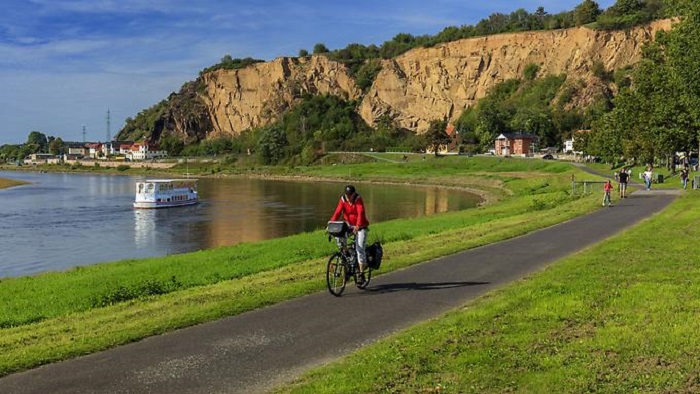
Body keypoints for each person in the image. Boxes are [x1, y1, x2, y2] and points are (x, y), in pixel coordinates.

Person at [330, 185, 370, 284]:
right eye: (346, 195)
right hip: (349, 225)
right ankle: (348, 257)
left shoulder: (358, 199)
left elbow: (361, 213)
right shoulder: (343, 200)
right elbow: (337, 212)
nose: (348, 198)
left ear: (353, 194)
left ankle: (361, 274)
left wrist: (358, 226)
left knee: (360, 248)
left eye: (349, 196)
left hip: (361, 226)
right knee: (339, 240)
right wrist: (331, 224)